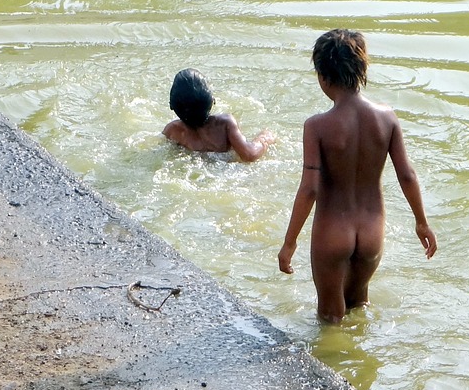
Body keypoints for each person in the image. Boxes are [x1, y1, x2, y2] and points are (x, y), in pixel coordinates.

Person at [277, 29, 437, 322]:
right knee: (358, 306)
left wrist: (289, 242)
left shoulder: (317, 126)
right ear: (363, 69)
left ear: (322, 76)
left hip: (332, 233)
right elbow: (408, 175)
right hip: (372, 233)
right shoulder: (387, 118)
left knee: (329, 319)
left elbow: (310, 189)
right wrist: (422, 223)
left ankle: (329, 365)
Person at [162, 68, 274, 162]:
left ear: (172, 106)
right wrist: (265, 138)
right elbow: (249, 155)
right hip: (224, 170)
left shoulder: (172, 130)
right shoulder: (224, 124)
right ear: (212, 101)